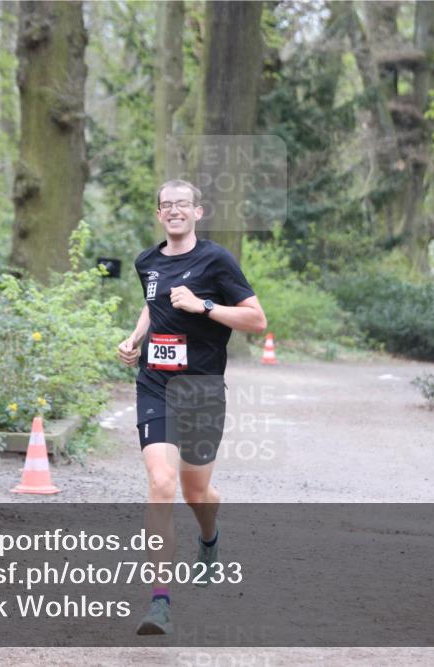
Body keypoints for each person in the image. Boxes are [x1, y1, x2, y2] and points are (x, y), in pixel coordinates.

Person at [117, 179, 267, 635]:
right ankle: (159, 601)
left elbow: (257, 321)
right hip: (156, 385)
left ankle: (209, 538)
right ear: (159, 213)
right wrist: (136, 337)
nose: (175, 211)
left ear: (198, 212)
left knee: (196, 493)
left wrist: (204, 306)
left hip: (201, 389)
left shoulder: (217, 260)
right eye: (168, 205)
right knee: (161, 482)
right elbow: (152, 305)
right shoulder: (147, 261)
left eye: (183, 204)